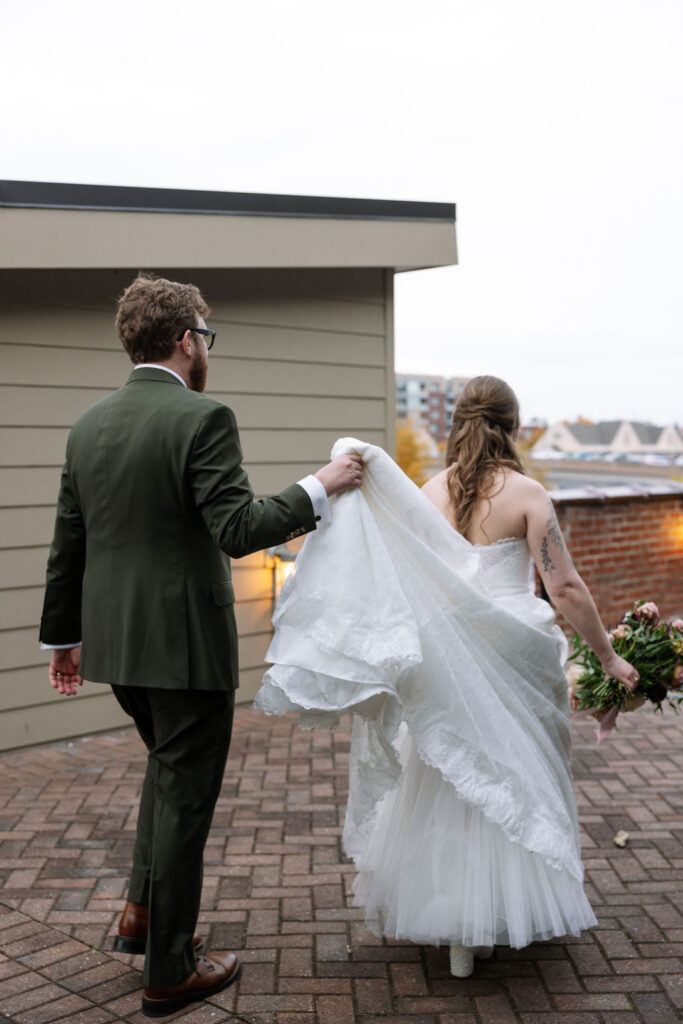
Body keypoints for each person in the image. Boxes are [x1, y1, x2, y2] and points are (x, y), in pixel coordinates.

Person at [39, 273, 363, 1018]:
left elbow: (69, 545)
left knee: (166, 772)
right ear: (186, 339)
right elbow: (239, 529)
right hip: (184, 649)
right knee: (187, 798)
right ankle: (169, 970)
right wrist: (320, 486)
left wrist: (64, 638)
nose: (204, 349)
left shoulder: (87, 426)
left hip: (115, 647)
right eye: (204, 337)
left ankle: (140, 913)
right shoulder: (203, 415)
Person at [255, 376, 638, 979]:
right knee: (512, 775)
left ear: (458, 421)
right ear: (512, 425)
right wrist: (610, 657)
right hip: (514, 653)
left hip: (448, 658)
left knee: (447, 781)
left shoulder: (427, 493)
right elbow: (562, 586)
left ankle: (459, 938)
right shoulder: (529, 494)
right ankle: (490, 919)